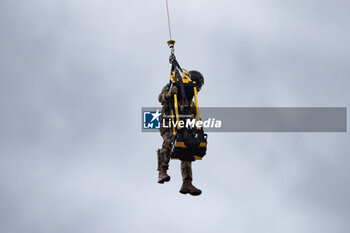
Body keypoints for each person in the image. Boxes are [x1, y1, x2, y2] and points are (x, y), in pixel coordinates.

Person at [157, 70, 204, 196]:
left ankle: (187, 182)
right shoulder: (173, 86)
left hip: (180, 124)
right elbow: (160, 98)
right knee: (168, 141)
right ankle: (162, 170)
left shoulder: (189, 101)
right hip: (167, 120)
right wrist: (168, 95)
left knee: (187, 147)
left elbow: (193, 115)